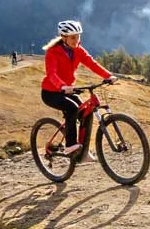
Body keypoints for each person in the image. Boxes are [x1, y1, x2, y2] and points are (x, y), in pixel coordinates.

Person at [40, 20, 116, 156]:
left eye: (78, 36)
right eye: (73, 37)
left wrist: (108, 75)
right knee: (72, 109)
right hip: (51, 93)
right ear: (64, 37)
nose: (76, 40)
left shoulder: (78, 50)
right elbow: (51, 74)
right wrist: (62, 86)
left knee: (85, 112)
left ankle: (83, 151)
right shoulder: (53, 52)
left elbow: (92, 64)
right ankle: (70, 146)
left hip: (68, 90)